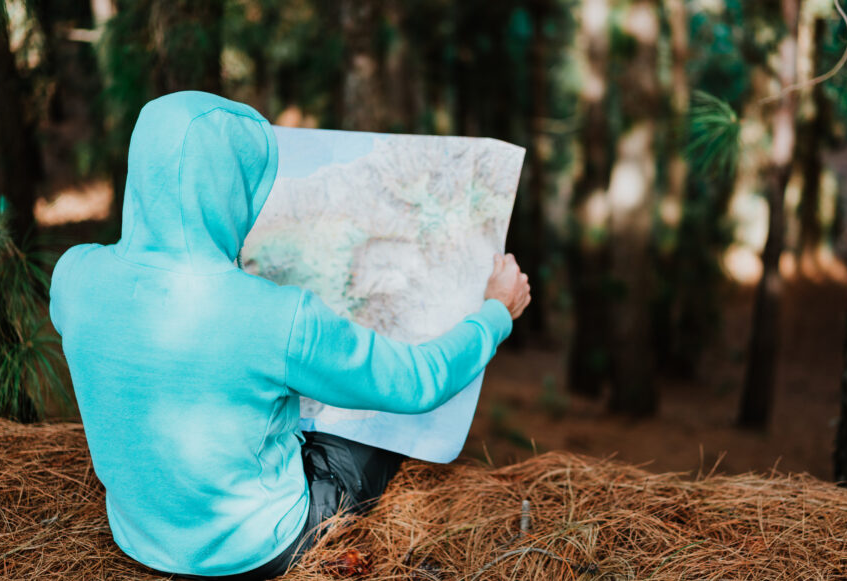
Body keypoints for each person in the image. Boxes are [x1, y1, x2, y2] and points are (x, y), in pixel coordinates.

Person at [49, 91, 531, 580]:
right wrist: (495, 313)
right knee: (378, 431)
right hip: (260, 548)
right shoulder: (277, 315)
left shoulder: (73, 275)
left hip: (140, 536)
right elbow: (415, 383)